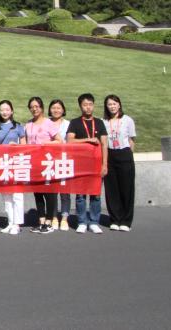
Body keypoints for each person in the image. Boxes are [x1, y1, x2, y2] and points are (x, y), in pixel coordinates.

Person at [66, 93, 109, 234]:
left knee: (96, 194)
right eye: (85, 105)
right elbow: (70, 141)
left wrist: (105, 164)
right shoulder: (75, 122)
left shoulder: (99, 122)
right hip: (81, 164)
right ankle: (82, 222)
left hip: (96, 164)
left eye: (90, 104)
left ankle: (94, 221)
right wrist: (88, 140)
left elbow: (104, 144)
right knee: (80, 195)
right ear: (80, 106)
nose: (88, 107)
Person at [24, 97, 61, 234]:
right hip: (34, 163)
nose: (34, 109)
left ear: (42, 108)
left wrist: (45, 144)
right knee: (38, 193)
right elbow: (26, 143)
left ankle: (49, 222)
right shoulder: (28, 124)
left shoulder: (48, 123)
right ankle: (41, 221)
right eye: (32, 107)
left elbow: (59, 141)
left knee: (49, 192)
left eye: (37, 106)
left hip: (47, 162)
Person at [103, 94, 136, 232]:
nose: (112, 106)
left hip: (124, 154)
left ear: (119, 105)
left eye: (114, 104)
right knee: (111, 189)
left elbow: (131, 140)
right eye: (109, 104)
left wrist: (129, 155)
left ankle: (126, 221)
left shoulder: (127, 120)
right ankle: (115, 219)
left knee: (126, 188)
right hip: (110, 154)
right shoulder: (104, 121)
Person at [0, 99, 26, 235]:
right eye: (2, 110)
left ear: (12, 111)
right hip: (3, 163)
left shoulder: (18, 127)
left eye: (7, 109)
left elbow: (25, 146)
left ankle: (17, 223)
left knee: (17, 195)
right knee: (6, 195)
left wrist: (17, 146)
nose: (4, 112)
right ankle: (10, 221)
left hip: (17, 163)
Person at [48, 99, 71, 231]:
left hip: (64, 160)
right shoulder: (46, 123)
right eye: (53, 108)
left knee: (64, 191)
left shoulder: (68, 124)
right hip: (50, 161)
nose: (56, 110)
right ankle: (54, 217)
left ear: (63, 110)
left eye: (58, 108)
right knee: (52, 191)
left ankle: (64, 218)